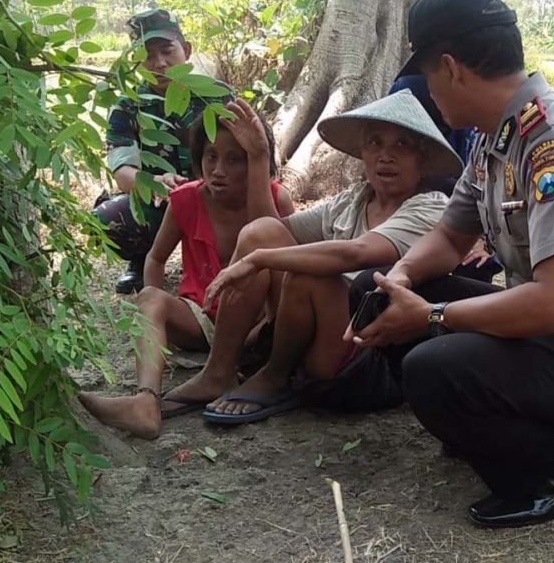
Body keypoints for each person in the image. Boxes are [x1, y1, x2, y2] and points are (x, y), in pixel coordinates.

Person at [341, 0, 554, 528]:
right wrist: (398, 274)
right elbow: (448, 238)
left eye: (425, 72)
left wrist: (433, 317)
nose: (427, 89)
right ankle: (500, 424)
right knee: (374, 292)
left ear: (450, 67)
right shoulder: (497, 137)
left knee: (431, 364)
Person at [153, 90, 462, 424]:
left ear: (423, 160)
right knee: (262, 236)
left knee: (313, 271)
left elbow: (355, 254)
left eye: (402, 145)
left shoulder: (428, 206)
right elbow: (268, 229)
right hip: (307, 333)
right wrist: (258, 157)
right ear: (362, 153)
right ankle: (219, 371)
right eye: (375, 144)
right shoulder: (353, 201)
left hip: (366, 355)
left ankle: (275, 376)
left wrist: (258, 261)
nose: (385, 156)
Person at [78, 99, 293, 439]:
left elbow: (284, 266)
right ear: (197, 159)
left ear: (256, 160)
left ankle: (234, 366)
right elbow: (156, 258)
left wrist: (265, 325)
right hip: (202, 318)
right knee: (148, 298)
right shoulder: (186, 200)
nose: (219, 169)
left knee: (263, 248)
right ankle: (145, 402)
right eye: (211, 157)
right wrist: (157, 321)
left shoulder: (275, 198)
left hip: (259, 325)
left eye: (235, 159)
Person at [93, 9, 233, 294]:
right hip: (159, 201)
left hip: (216, 195)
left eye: (167, 50)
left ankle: (226, 261)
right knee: (106, 220)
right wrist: (152, 182)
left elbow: (247, 153)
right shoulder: (128, 106)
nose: (159, 63)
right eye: (147, 55)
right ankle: (141, 259)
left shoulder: (218, 96)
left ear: (187, 50)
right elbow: (122, 171)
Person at [388, 75, 502, 284]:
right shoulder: (409, 88)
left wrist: (484, 241)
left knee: (476, 262)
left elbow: (480, 191)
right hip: (409, 197)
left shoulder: (472, 123)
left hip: (456, 204)